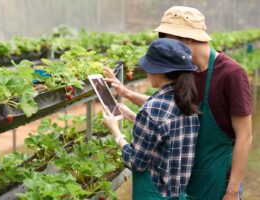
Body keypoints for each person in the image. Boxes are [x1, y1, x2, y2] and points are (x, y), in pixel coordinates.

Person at [104, 6, 252, 200]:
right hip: (185, 175)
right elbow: (171, 110)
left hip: (216, 177)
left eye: (166, 39)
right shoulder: (185, 71)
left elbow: (245, 135)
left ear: (187, 38)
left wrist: (232, 190)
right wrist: (127, 94)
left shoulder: (231, 73)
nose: (165, 46)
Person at [103, 38, 200, 199]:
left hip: (153, 194)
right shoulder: (187, 102)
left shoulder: (152, 109)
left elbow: (135, 162)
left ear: (159, 70)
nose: (147, 72)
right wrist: (134, 116)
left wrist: (115, 131)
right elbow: (165, 134)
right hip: (178, 192)